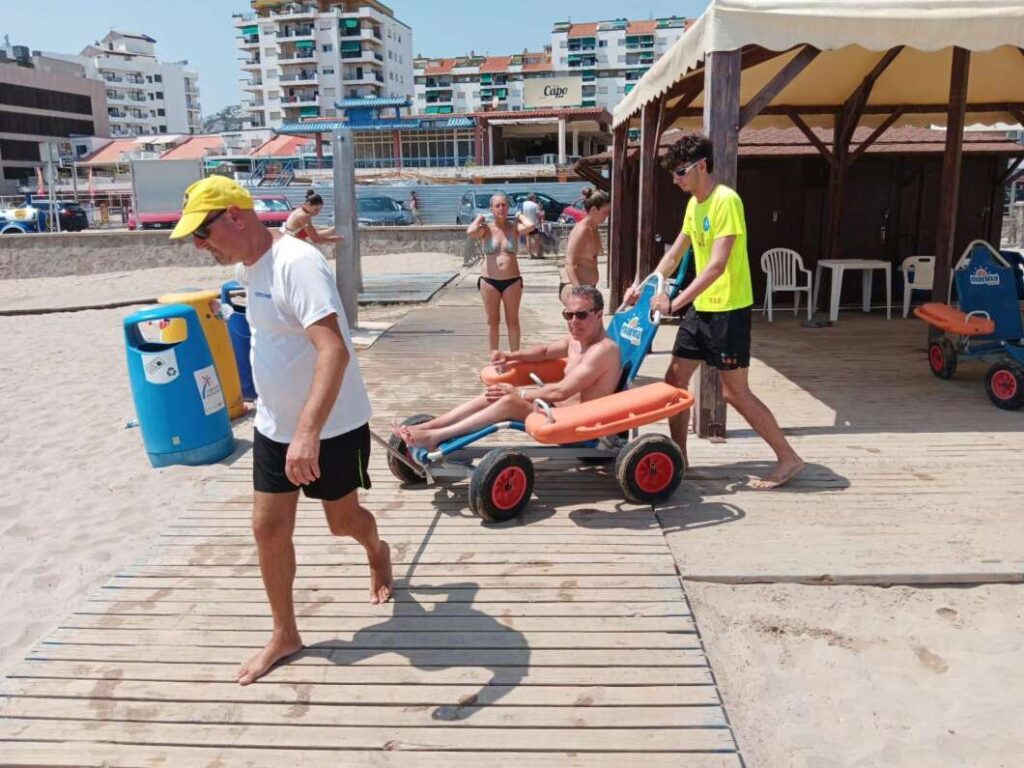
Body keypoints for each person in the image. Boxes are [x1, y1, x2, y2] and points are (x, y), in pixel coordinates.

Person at [169, 176, 392, 686]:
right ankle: (285, 632)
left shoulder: (297, 263)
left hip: (330, 426)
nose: (200, 246)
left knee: (343, 522)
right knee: (267, 528)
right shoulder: (251, 263)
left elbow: (332, 349)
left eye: (202, 234)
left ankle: (377, 551)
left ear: (236, 216)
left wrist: (308, 432)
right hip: (275, 426)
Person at [624, 132, 804, 490]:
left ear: (701, 166)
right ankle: (680, 459)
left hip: (728, 312)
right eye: (673, 173)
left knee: (734, 393)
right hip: (702, 310)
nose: (675, 180)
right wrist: (643, 287)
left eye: (680, 172)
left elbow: (716, 266)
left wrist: (675, 303)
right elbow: (674, 255)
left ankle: (789, 459)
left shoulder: (726, 201)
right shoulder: (695, 204)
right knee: (674, 381)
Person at [398, 285, 620, 451]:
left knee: (508, 400)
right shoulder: (577, 340)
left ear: (599, 314)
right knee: (495, 394)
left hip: (577, 424)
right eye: (568, 315)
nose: (573, 321)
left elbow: (562, 391)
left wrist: (518, 392)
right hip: (556, 410)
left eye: (581, 315)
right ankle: (430, 426)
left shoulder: (603, 350)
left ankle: (437, 436)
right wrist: (509, 355)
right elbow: (543, 351)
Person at [467, 192, 535, 352]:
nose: (501, 208)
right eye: (497, 205)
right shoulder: (486, 229)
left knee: (513, 321)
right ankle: (494, 357)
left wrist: (519, 215)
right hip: (489, 281)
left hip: (512, 280)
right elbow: (470, 232)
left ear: (508, 207)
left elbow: (531, 226)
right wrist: (479, 218)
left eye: (504, 205)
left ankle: (515, 356)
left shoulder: (514, 228)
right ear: (491, 208)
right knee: (492, 321)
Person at [560, 188, 610, 304]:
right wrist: (578, 290)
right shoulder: (581, 230)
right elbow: (569, 263)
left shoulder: (594, 228)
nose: (606, 216)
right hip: (575, 286)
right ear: (593, 210)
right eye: (605, 212)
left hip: (589, 286)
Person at [520, 192, 544, 259]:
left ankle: (530, 255)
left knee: (528, 239)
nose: (536, 199)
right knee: (537, 240)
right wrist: (540, 224)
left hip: (526, 225)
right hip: (534, 225)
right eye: (535, 198)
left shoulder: (523, 204)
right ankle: (537, 253)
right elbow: (538, 216)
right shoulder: (535, 205)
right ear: (533, 198)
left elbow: (520, 214)